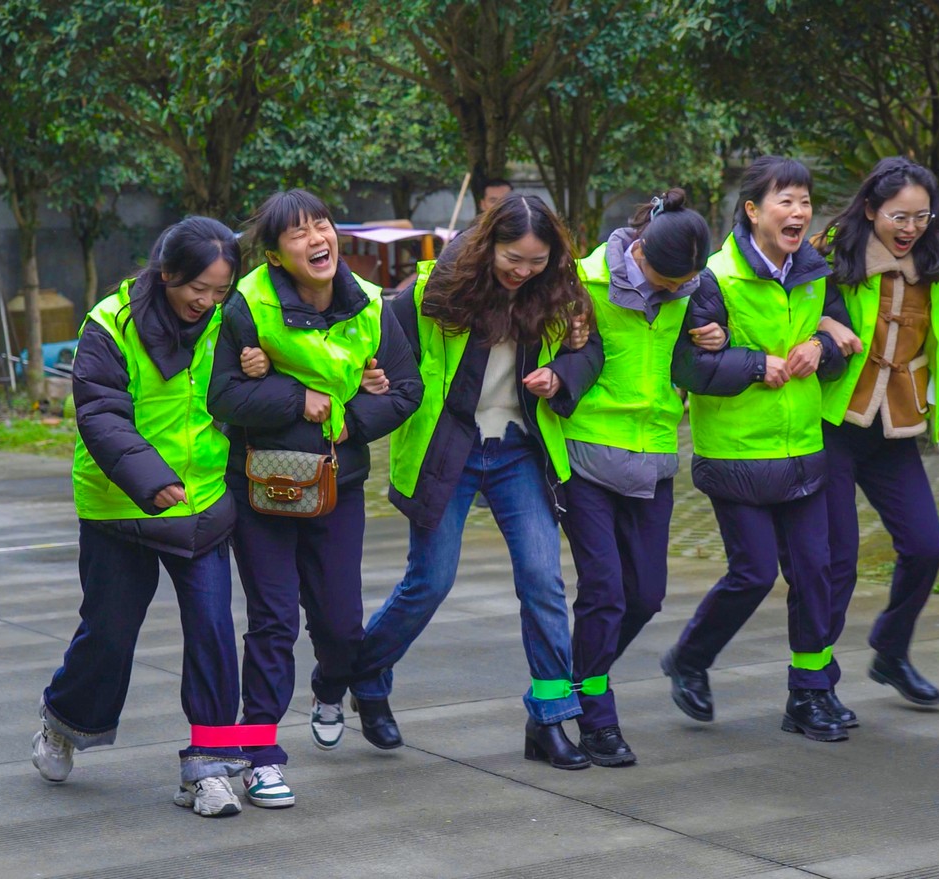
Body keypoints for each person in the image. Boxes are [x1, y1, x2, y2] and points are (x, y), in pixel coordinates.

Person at [350, 192, 601, 770]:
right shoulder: (431, 292)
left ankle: (550, 719)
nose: (523, 271)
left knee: (543, 581)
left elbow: (590, 356)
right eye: (514, 258)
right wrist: (370, 379)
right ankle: (364, 674)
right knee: (429, 583)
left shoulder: (562, 293)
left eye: (536, 262)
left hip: (518, 451)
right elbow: (381, 351)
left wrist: (561, 375)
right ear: (490, 244)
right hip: (450, 452)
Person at [207, 189, 423, 808]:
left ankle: (332, 687)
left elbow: (405, 390)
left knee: (339, 622)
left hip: (338, 485)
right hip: (261, 489)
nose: (315, 238)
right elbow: (222, 396)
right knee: (272, 621)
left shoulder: (374, 305)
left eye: (320, 226)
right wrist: (294, 399)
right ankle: (260, 754)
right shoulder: (247, 305)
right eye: (297, 233)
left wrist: (348, 420)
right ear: (275, 255)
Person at [31, 217, 252, 817]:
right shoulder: (111, 321)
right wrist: (151, 482)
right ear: (167, 272)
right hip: (118, 504)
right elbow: (101, 412)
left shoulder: (230, 322)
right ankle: (63, 721)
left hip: (202, 502)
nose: (205, 302)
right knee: (109, 633)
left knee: (212, 629)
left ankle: (207, 766)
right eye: (195, 288)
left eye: (219, 290)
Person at [661, 156, 854, 743]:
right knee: (751, 574)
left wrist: (823, 347)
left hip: (803, 448)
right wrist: (754, 364)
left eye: (804, 201)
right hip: (737, 455)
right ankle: (690, 658)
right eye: (784, 201)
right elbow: (688, 365)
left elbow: (840, 338)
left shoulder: (816, 272)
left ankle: (810, 693)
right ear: (752, 210)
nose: (797, 213)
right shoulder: (713, 279)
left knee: (816, 572)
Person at [560, 188, 723, 765]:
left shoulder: (691, 291)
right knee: (603, 591)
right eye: (670, 280)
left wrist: (714, 339)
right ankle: (596, 715)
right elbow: (546, 349)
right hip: (585, 456)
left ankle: (576, 681)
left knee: (645, 596)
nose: (679, 290)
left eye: (687, 283)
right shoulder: (584, 284)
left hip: (653, 458)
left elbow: (695, 354)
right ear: (643, 256)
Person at [815, 156, 939, 712]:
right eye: (898, 217)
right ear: (871, 210)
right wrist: (826, 325)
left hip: (895, 429)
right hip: (833, 424)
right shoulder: (831, 251)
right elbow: (790, 307)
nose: (910, 229)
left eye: (921, 217)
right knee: (839, 560)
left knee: (926, 546)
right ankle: (814, 683)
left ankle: (891, 650)